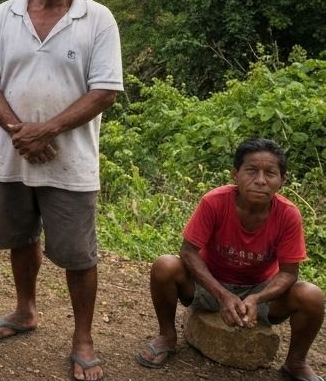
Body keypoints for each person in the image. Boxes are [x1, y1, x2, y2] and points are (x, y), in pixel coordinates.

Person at [0, 0, 122, 381]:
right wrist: (21, 132)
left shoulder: (98, 19)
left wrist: (47, 130)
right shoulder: (5, 15)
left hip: (71, 160)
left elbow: (105, 91)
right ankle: (25, 311)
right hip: (13, 154)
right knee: (20, 239)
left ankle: (83, 340)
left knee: (78, 255)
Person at [136, 138, 324, 381]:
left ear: (282, 180)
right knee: (165, 265)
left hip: (261, 290)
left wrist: (257, 298)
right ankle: (167, 337)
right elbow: (188, 252)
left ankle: (296, 363)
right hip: (210, 284)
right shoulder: (215, 202)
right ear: (235, 174)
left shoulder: (288, 214)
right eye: (251, 171)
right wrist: (222, 295)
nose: (260, 180)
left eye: (270, 173)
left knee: (312, 296)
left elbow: (289, 272)